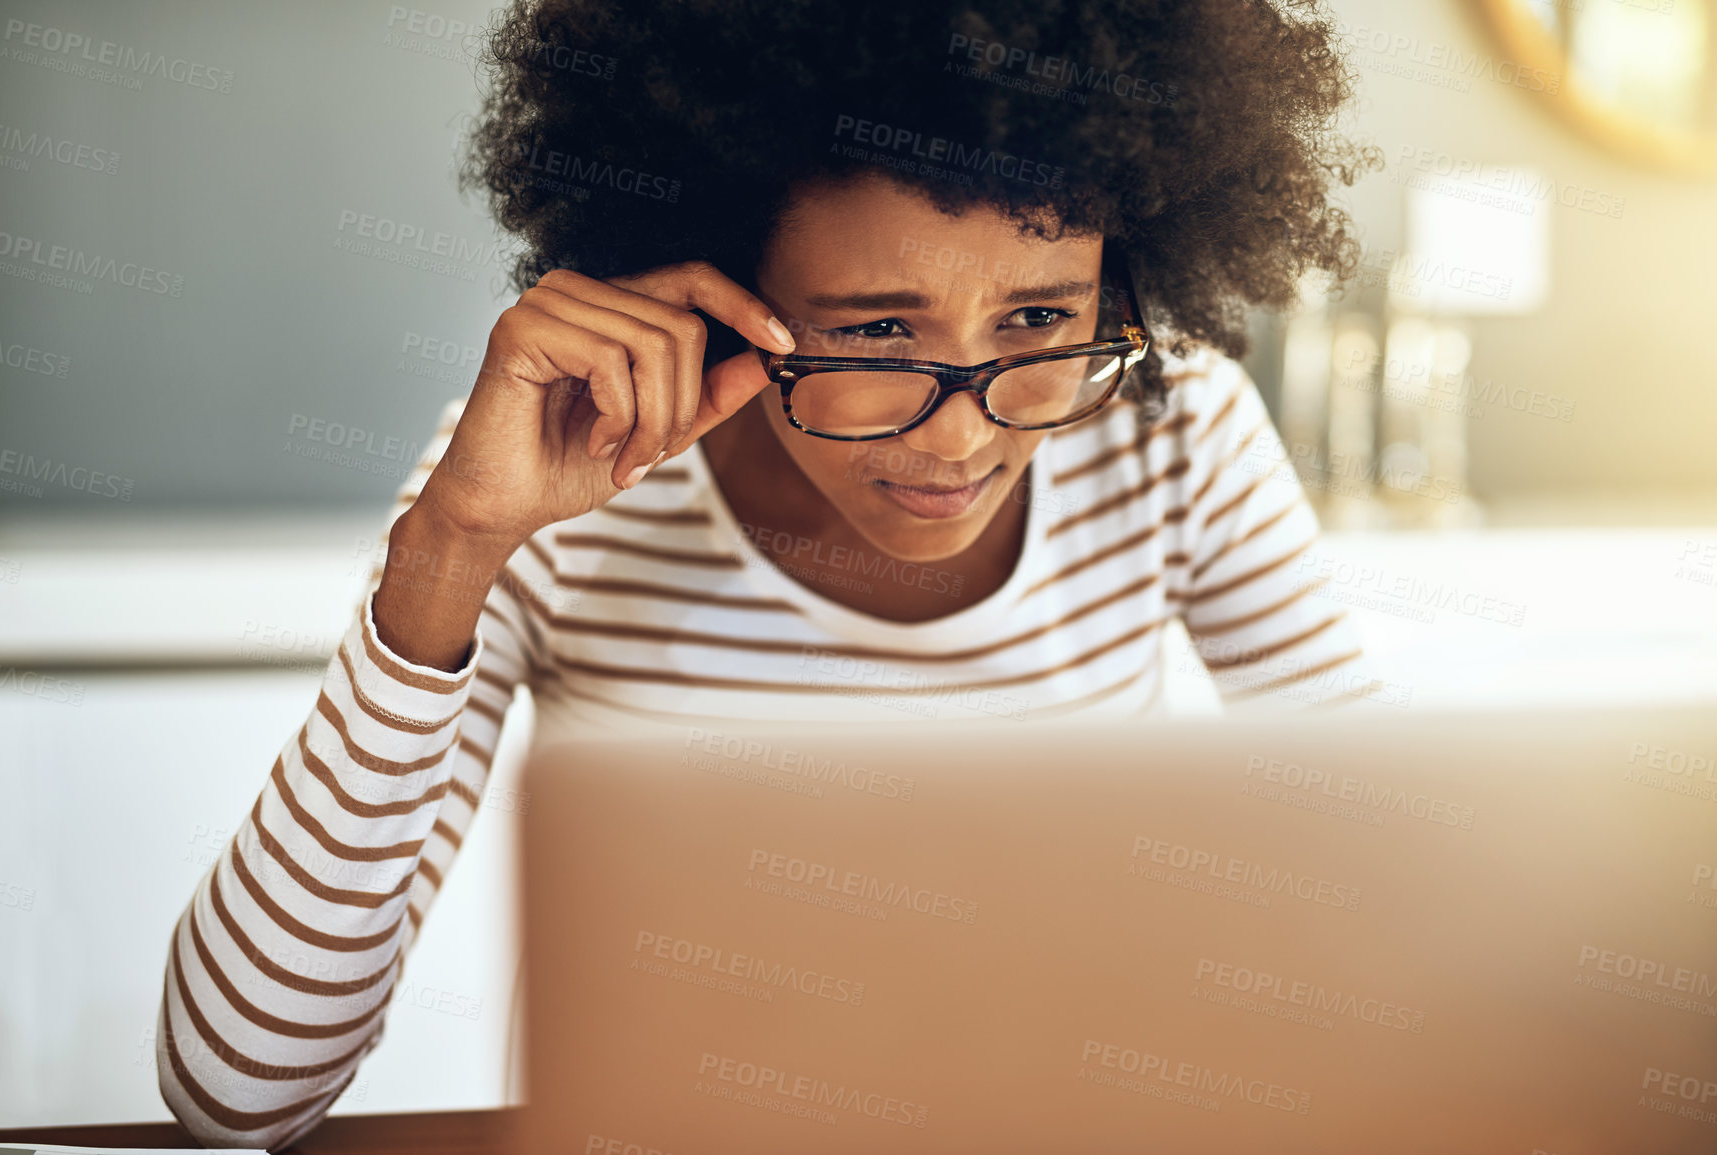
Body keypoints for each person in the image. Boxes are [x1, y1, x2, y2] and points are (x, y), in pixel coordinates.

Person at [155, 0, 1385, 1144]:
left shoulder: (1175, 439)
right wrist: (448, 549)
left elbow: (1384, 905)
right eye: (876, 332)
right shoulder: (559, 481)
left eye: (1037, 323)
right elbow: (236, 1096)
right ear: (722, 286)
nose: (959, 438)